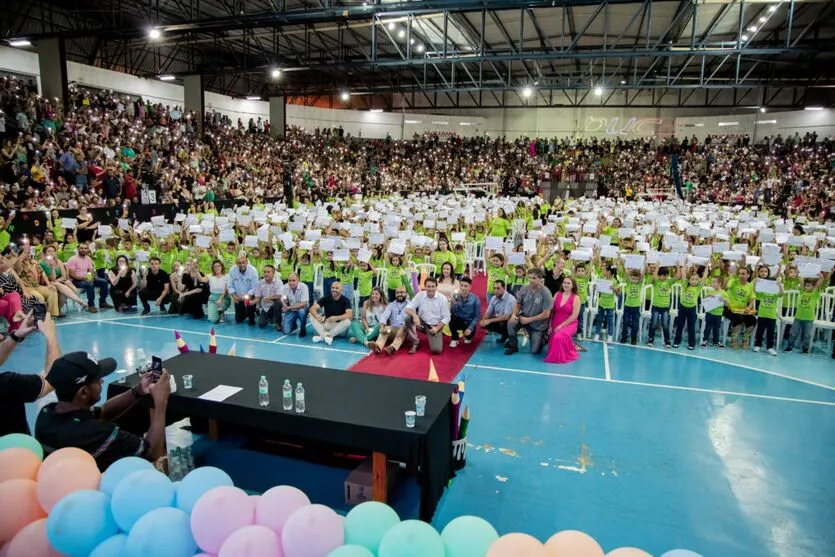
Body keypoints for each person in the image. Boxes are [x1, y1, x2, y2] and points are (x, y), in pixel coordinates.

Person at [35, 352, 171, 471]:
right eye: (97, 380)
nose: (102, 381)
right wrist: (161, 402)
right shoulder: (96, 432)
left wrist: (138, 391)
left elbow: (103, 411)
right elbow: (152, 452)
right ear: (83, 392)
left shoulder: (47, 413)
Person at [0, 313, 60, 436]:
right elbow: (52, 378)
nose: (1, 336)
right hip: (18, 450)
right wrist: (51, 335)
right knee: (52, 393)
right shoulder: (7, 383)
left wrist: (16, 336)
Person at [505, 268, 553, 356]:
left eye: (534, 278)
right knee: (511, 323)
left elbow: (546, 314)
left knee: (535, 351)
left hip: (538, 324)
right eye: (529, 278)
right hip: (524, 316)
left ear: (540, 279)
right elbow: (518, 304)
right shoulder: (524, 289)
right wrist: (514, 314)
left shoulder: (546, 293)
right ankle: (513, 346)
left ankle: (545, 337)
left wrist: (529, 320)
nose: (531, 280)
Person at [401, 277, 450, 355]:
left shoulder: (442, 298)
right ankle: (415, 342)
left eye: (433, 286)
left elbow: (447, 317)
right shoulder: (420, 295)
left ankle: (436, 336)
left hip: (434, 326)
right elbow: (407, 308)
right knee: (407, 318)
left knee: (436, 350)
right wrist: (415, 315)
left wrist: (437, 328)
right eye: (428, 286)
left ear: (436, 287)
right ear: (425, 287)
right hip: (422, 323)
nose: (430, 289)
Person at [544, 276, 581, 364]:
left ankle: (570, 349)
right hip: (556, 321)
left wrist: (561, 326)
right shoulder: (557, 294)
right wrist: (549, 325)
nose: (566, 285)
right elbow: (552, 311)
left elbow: (574, 316)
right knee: (553, 347)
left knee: (559, 337)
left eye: (568, 283)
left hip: (569, 322)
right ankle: (571, 346)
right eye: (564, 283)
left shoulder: (576, 298)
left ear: (573, 285)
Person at [66, 242, 112, 313]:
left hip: (87, 278)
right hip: (76, 280)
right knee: (90, 285)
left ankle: (102, 302)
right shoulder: (73, 259)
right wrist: (84, 278)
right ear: (78, 249)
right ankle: (91, 305)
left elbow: (91, 270)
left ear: (88, 250)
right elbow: (72, 274)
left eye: (85, 248)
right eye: (81, 248)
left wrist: (92, 278)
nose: (83, 250)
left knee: (103, 282)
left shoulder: (88, 259)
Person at [373, 286, 410, 355]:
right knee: (386, 328)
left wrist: (401, 329)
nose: (399, 294)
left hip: (406, 331)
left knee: (404, 330)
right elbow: (384, 316)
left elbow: (410, 320)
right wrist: (381, 327)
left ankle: (392, 348)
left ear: (406, 294)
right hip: (393, 330)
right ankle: (377, 346)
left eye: (401, 292)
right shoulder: (391, 305)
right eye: (397, 293)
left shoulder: (410, 304)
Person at [479, 280, 516, 344]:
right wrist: (484, 320)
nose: (495, 290)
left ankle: (510, 336)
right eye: (494, 288)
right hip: (501, 318)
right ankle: (505, 335)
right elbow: (488, 312)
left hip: (512, 321)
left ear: (504, 288)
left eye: (498, 288)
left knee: (502, 323)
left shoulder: (510, 298)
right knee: (484, 321)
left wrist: (489, 321)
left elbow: (506, 317)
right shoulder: (493, 298)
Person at [449, 276, 481, 348]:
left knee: (468, 340)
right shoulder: (455, 296)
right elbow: (452, 312)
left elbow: (477, 316)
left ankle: (467, 335)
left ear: (470, 287)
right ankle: (455, 338)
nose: (463, 288)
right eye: (461, 285)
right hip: (458, 320)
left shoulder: (475, 299)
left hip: (469, 322)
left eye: (466, 286)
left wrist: (470, 328)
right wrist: (454, 304)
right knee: (451, 318)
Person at [228, 255, 259, 326]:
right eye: (239, 263)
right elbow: (230, 286)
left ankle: (253, 311)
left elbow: (255, 287)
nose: (242, 265)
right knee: (239, 319)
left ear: (247, 262)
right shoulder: (232, 271)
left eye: (243, 262)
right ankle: (252, 310)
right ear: (236, 263)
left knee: (251, 322)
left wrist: (247, 297)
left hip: (250, 296)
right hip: (238, 296)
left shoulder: (253, 271)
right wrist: (234, 296)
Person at [253, 265, 284, 330]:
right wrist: (251, 302)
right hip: (265, 307)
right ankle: (271, 318)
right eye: (264, 272)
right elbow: (257, 297)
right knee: (261, 325)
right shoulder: (260, 283)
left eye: (268, 272)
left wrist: (269, 298)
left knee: (278, 302)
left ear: (273, 273)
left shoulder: (279, 282)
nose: (266, 274)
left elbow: (279, 295)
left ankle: (278, 323)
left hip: (274, 305)